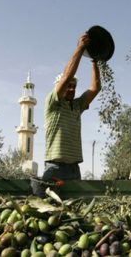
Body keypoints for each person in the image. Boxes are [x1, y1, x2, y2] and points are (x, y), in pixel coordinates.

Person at [42, 32, 101, 182]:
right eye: (68, 86)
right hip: (54, 167)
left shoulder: (77, 105)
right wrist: (80, 48)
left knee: (76, 205)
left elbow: (95, 89)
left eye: (74, 87)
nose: (71, 89)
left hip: (74, 168)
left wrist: (94, 61)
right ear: (59, 86)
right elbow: (67, 76)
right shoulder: (53, 102)